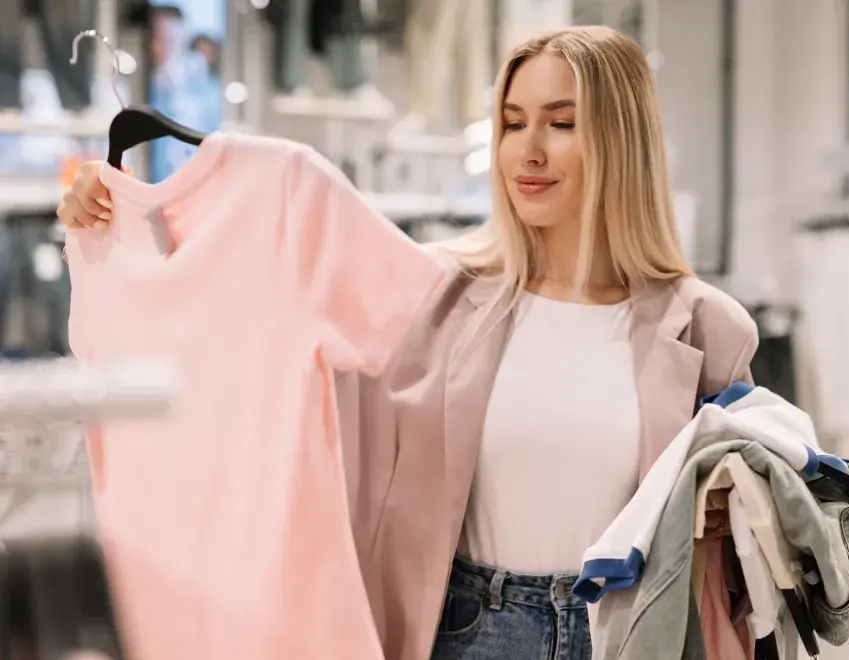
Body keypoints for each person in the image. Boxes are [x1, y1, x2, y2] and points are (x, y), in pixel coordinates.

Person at [56, 25, 758, 660]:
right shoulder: (434, 292)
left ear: (622, 139)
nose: (528, 150)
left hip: (629, 636)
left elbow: (745, 540)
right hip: (471, 632)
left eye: (562, 122)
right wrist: (119, 215)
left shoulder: (704, 326)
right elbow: (234, 300)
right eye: (512, 123)